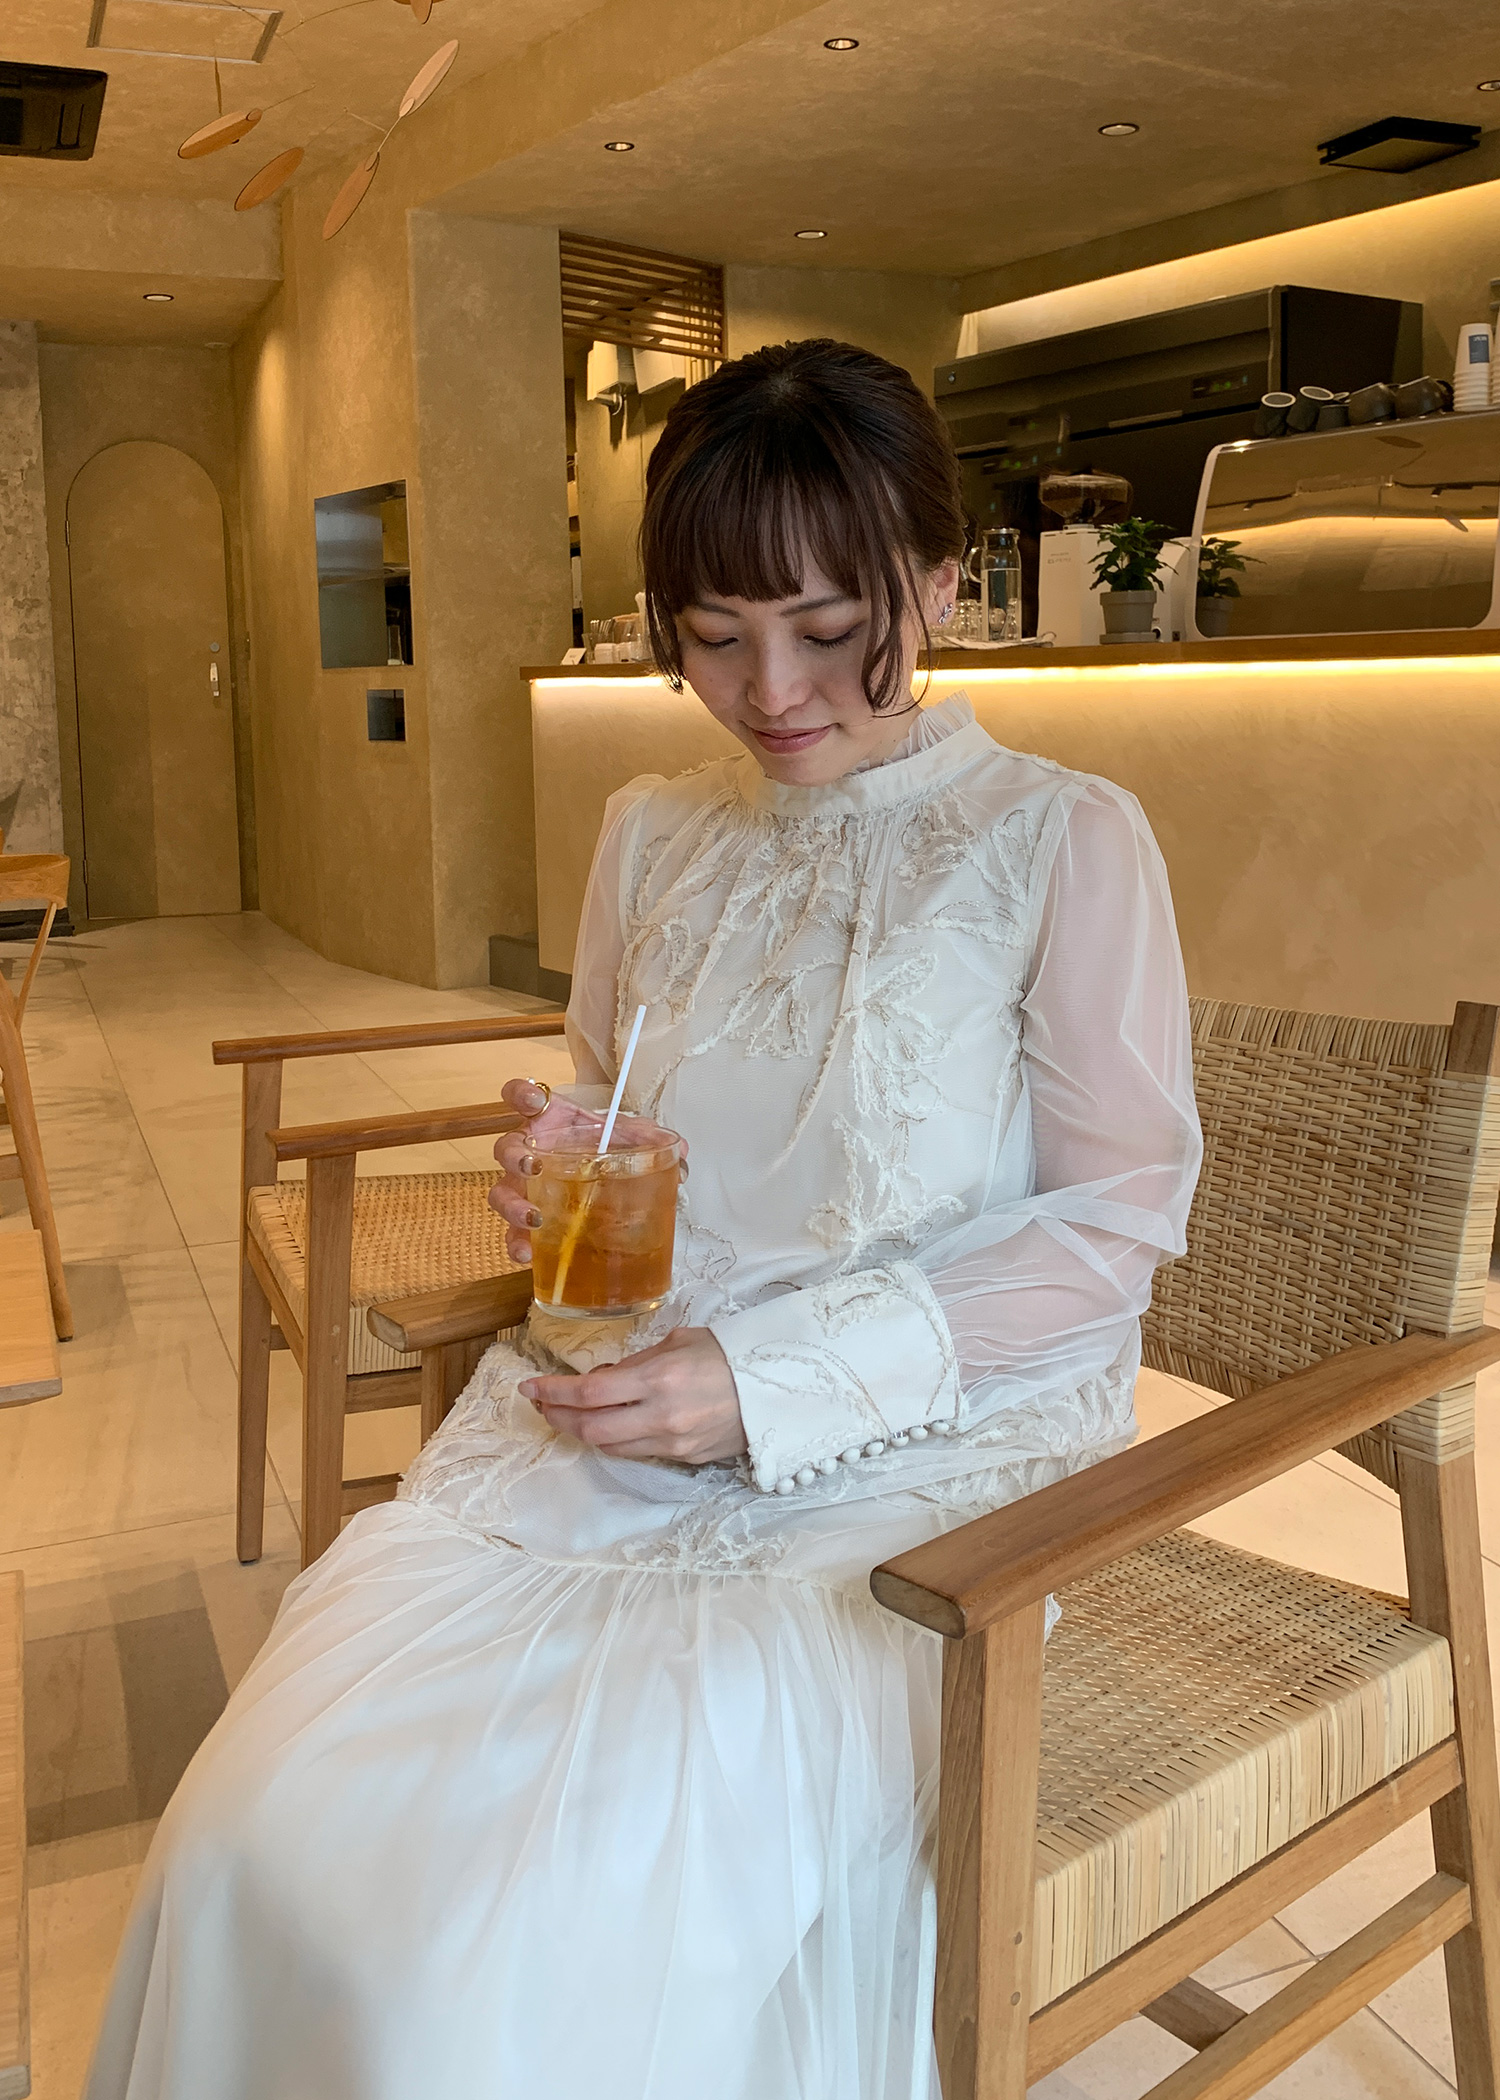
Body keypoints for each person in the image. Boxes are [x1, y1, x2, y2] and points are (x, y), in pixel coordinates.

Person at [87, 339, 1201, 2100]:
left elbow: (1113, 1231)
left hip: (918, 1475)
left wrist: (768, 1385)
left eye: (829, 628)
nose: (771, 691)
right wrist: (555, 1168)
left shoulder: (1060, 838)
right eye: (714, 634)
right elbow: (614, 1107)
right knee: (251, 1841)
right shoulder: (651, 835)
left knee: (500, 1965)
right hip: (600, 1430)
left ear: (937, 581)